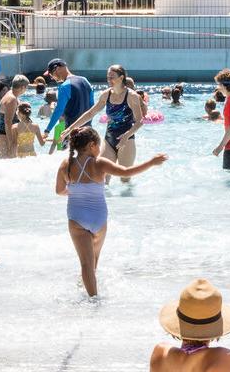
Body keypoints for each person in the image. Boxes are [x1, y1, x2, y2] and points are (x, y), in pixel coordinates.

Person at [54, 125, 166, 297]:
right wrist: (151, 162)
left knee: (85, 264)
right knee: (93, 262)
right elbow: (127, 172)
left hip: (77, 219)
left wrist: (75, 192)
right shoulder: (99, 163)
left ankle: (92, 301)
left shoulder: (66, 164)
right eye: (99, 145)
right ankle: (89, 292)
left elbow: (59, 191)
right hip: (99, 220)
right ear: (92, 145)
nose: (100, 149)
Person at [63, 64, 144, 168]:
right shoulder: (106, 94)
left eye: (112, 77)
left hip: (126, 140)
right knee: (102, 176)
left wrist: (127, 135)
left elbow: (140, 121)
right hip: (109, 138)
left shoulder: (131, 96)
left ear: (121, 77)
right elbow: (90, 113)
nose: (109, 80)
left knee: (125, 178)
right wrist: (69, 129)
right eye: (108, 77)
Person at [44, 59, 94, 143]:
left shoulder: (64, 86)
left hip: (71, 132)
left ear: (57, 69)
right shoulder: (85, 80)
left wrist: (47, 130)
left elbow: (59, 110)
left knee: (68, 155)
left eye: (51, 74)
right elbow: (92, 107)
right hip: (88, 131)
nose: (52, 78)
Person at [0, 74, 29, 158]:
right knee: (8, 162)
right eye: (26, 87)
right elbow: (8, 122)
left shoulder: (11, 94)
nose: (26, 90)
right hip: (4, 133)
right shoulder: (12, 99)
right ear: (22, 87)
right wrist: (11, 142)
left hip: (5, 133)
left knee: (10, 162)